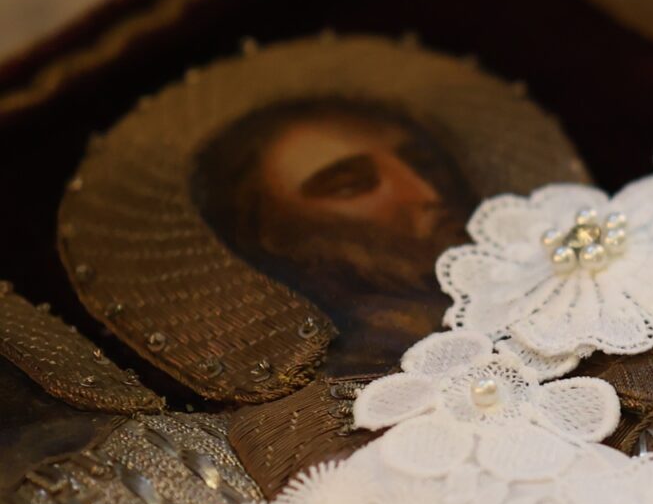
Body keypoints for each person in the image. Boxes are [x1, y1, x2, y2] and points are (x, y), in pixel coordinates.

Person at [193, 99, 474, 376]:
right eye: (350, 185)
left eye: (423, 164)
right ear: (277, 236)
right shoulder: (361, 365)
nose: (426, 193)